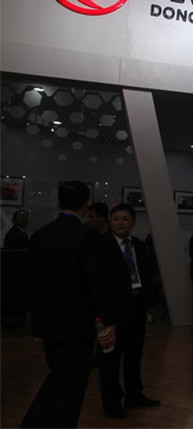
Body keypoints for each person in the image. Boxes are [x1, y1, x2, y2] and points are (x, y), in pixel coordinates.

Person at [20, 181, 116, 428]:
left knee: (60, 377)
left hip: (48, 322)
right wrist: (105, 320)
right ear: (86, 205)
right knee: (70, 387)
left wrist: (35, 321)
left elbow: (31, 283)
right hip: (77, 324)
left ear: (58, 202)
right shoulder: (86, 236)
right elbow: (96, 282)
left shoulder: (40, 236)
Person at [96, 203, 161, 419]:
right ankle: (112, 403)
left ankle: (135, 395)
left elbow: (147, 276)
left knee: (134, 355)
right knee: (111, 360)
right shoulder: (101, 246)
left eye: (125, 219)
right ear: (110, 221)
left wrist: (149, 305)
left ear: (133, 222)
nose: (120, 223)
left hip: (137, 308)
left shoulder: (139, 246)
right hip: (113, 311)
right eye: (116, 219)